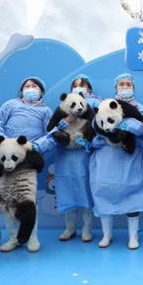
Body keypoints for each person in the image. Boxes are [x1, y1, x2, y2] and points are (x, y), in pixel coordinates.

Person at [0, 77, 54, 251]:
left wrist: (36, 146)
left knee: (27, 199)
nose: (30, 88)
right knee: (7, 199)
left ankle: (32, 238)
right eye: (27, 86)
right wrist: (1, 140)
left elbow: (51, 135)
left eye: (34, 86)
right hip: (5, 158)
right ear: (21, 90)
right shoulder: (11, 105)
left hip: (26, 160)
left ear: (41, 92)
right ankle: (13, 238)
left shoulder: (46, 111)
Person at [89, 73, 143, 249]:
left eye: (128, 84)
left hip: (130, 158)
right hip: (106, 158)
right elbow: (95, 128)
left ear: (133, 87)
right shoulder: (104, 105)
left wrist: (122, 124)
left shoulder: (139, 108)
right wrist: (104, 133)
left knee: (133, 195)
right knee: (103, 192)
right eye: (121, 84)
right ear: (115, 87)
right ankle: (106, 235)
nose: (124, 87)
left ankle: (133, 237)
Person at [52, 76, 98, 242]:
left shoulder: (95, 104)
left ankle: (87, 229)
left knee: (85, 189)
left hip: (84, 154)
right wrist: (64, 123)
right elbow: (51, 129)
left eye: (82, 85)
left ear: (89, 89)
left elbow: (99, 127)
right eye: (75, 85)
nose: (79, 88)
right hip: (65, 155)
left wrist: (85, 138)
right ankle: (70, 228)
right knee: (67, 189)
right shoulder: (63, 106)